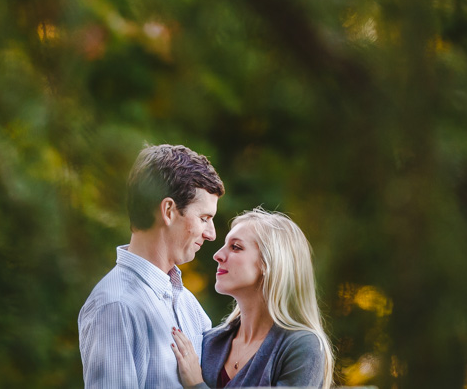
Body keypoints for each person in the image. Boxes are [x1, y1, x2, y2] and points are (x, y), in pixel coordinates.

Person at [79, 144, 225, 389]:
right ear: (168, 210)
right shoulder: (115, 306)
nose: (211, 234)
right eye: (204, 218)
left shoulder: (191, 308)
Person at [170, 208, 334, 389]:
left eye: (236, 247)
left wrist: (196, 385)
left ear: (268, 263)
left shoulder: (302, 347)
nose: (217, 255)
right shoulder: (209, 341)